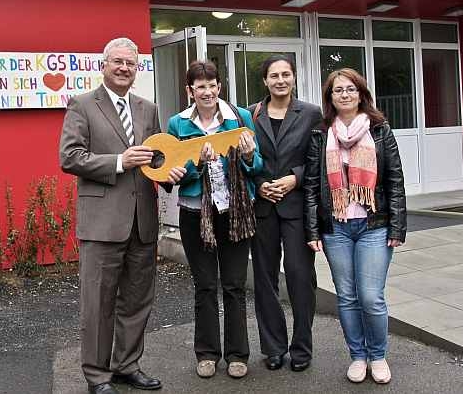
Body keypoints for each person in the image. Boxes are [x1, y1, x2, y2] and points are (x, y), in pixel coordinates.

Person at [59, 37, 177, 394]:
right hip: (102, 224)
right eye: (118, 62)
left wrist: (171, 170)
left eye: (131, 63)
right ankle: (97, 375)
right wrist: (118, 162)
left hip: (141, 221)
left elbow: (155, 157)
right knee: (98, 303)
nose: (125, 68)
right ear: (104, 65)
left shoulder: (147, 107)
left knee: (138, 299)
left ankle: (127, 365)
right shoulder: (82, 104)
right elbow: (70, 157)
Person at [303, 68, 406, 385]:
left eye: (350, 89)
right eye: (338, 90)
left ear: (361, 94)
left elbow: (395, 179)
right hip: (336, 227)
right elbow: (310, 186)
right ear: (330, 97)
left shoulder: (379, 130)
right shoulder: (322, 134)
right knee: (346, 297)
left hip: (374, 225)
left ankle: (378, 356)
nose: (344, 94)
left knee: (371, 296)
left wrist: (397, 227)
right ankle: (358, 357)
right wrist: (312, 230)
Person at [166, 60, 263, 380]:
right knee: (205, 286)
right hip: (196, 214)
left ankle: (237, 354)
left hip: (235, 211)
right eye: (200, 86)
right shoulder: (177, 125)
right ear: (189, 91)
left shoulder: (240, 118)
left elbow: (257, 165)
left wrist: (249, 156)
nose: (206, 91)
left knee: (234, 285)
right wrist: (196, 162)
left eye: (211, 85)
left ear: (219, 87)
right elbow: (175, 173)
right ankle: (207, 353)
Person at [247, 55, 322, 372]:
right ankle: (273, 348)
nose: (280, 80)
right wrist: (261, 184)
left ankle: (302, 349)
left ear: (294, 77)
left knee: (300, 278)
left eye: (286, 74)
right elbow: (245, 158)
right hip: (263, 208)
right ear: (264, 80)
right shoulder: (251, 113)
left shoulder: (311, 113)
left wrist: (295, 178)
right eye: (274, 75)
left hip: (296, 208)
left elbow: (319, 159)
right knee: (264, 281)